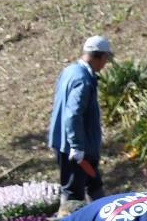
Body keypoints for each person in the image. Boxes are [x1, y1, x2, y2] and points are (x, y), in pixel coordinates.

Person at [48, 35, 113, 207]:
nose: (105, 64)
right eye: (106, 59)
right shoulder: (83, 79)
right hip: (76, 149)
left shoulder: (70, 70)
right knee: (73, 194)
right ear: (100, 57)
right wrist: (77, 146)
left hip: (65, 142)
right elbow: (73, 114)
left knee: (94, 184)